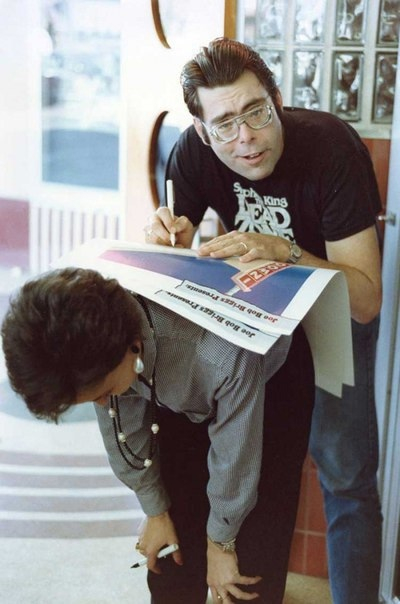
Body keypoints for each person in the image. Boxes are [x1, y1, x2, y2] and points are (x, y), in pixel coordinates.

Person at [147, 38, 383, 604]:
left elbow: (366, 300)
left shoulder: (330, 149)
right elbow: (173, 244)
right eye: (224, 123)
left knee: (345, 472)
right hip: (258, 317)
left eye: (256, 111)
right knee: (249, 458)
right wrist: (170, 242)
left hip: (333, 308)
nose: (246, 136)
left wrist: (285, 251)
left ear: (277, 100)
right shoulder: (193, 152)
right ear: (203, 130)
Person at [1, 266, 314, 604]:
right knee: (171, 558)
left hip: (267, 381)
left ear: (132, 347)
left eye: (102, 393)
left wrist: (222, 543)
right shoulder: (90, 345)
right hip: (170, 380)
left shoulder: (217, 356)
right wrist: (155, 511)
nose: (102, 403)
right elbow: (121, 424)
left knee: (244, 575)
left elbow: (237, 457)